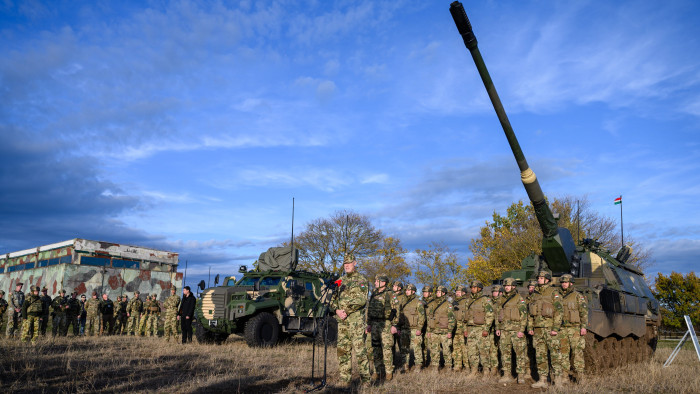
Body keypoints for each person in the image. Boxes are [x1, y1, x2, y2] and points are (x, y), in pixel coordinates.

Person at [331, 253, 371, 388]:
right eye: (345, 264)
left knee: (360, 352)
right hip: (342, 322)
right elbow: (332, 299)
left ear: (355, 263)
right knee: (343, 351)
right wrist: (336, 310)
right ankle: (345, 380)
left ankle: (366, 381)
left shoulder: (361, 279)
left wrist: (346, 311)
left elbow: (361, 299)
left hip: (356, 322)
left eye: (349, 263)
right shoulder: (340, 281)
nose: (347, 265)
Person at [527, 270, 564, 388]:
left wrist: (556, 328)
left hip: (550, 328)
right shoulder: (534, 294)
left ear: (547, 280)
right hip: (537, 329)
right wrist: (530, 327)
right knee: (540, 355)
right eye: (538, 278)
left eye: (541, 278)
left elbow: (559, 311)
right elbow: (530, 313)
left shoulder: (554, 293)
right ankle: (542, 380)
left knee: (555, 355)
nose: (538, 279)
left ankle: (558, 381)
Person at [496, 277, 528, 384]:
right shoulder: (500, 299)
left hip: (516, 330)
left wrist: (522, 330)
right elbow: (497, 314)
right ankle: (506, 375)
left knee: (519, 353)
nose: (506, 287)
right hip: (504, 330)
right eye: (505, 286)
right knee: (505, 353)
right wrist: (498, 328)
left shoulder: (519, 299)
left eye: (508, 286)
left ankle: (520, 375)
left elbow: (524, 316)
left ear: (513, 286)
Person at [367, 274, 397, 381]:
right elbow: (369, 310)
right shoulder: (373, 294)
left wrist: (394, 325)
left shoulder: (390, 294)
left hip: (386, 324)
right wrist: (369, 323)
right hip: (374, 324)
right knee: (375, 348)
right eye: (375, 281)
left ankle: (389, 372)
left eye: (377, 281)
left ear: (383, 282)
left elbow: (395, 310)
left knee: (386, 348)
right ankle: (377, 371)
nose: (375, 282)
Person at [558, 274, 588, 383]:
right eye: (562, 282)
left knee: (577, 353)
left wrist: (583, 327)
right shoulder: (557, 296)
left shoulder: (577, 296)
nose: (564, 284)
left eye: (566, 282)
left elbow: (583, 313)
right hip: (562, 329)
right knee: (563, 353)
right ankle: (564, 377)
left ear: (571, 283)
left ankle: (581, 377)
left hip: (575, 329)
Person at [464, 280, 494, 378]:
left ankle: (486, 372)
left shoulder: (486, 300)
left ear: (479, 288)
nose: (472, 289)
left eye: (474, 287)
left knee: (483, 351)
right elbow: (466, 317)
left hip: (481, 329)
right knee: (471, 351)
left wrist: (486, 329)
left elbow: (490, 315)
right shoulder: (468, 301)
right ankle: (474, 371)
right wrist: (465, 329)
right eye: (471, 287)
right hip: (471, 329)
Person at [426, 285, 455, 372]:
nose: (437, 293)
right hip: (434, 331)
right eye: (437, 292)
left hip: (445, 331)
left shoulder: (448, 305)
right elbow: (429, 318)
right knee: (434, 350)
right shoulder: (432, 304)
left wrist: (450, 331)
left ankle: (448, 366)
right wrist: (429, 330)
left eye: (439, 292)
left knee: (446, 350)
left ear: (443, 293)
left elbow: (452, 319)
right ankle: (435, 367)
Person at [402, 284, 426, 372]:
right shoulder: (403, 302)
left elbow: (422, 317)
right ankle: (405, 365)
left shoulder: (418, 302)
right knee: (405, 348)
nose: (406, 292)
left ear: (413, 291)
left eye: (408, 290)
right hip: (405, 329)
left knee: (417, 348)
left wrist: (419, 329)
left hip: (415, 329)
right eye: (406, 290)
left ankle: (418, 365)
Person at [486, 284, 504, 380]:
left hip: (502, 329)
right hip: (492, 329)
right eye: (493, 292)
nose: (494, 293)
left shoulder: (503, 302)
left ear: (501, 292)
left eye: (496, 291)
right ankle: (494, 368)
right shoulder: (490, 302)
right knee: (492, 349)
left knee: (503, 350)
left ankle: (504, 369)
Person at [391, 281, 410, 372]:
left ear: (399, 288)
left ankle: (405, 365)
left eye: (395, 286)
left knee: (402, 346)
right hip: (391, 325)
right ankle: (391, 364)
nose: (393, 287)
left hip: (401, 325)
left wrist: (400, 325)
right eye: (393, 285)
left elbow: (404, 311)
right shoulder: (390, 296)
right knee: (391, 345)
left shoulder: (403, 298)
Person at [451, 285, 469, 371]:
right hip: (455, 330)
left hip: (463, 329)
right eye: (456, 292)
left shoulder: (466, 302)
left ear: (464, 293)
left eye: (459, 292)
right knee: (456, 348)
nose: (457, 293)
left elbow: (467, 317)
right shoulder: (453, 303)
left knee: (465, 349)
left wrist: (466, 330)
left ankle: (467, 366)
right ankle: (457, 365)